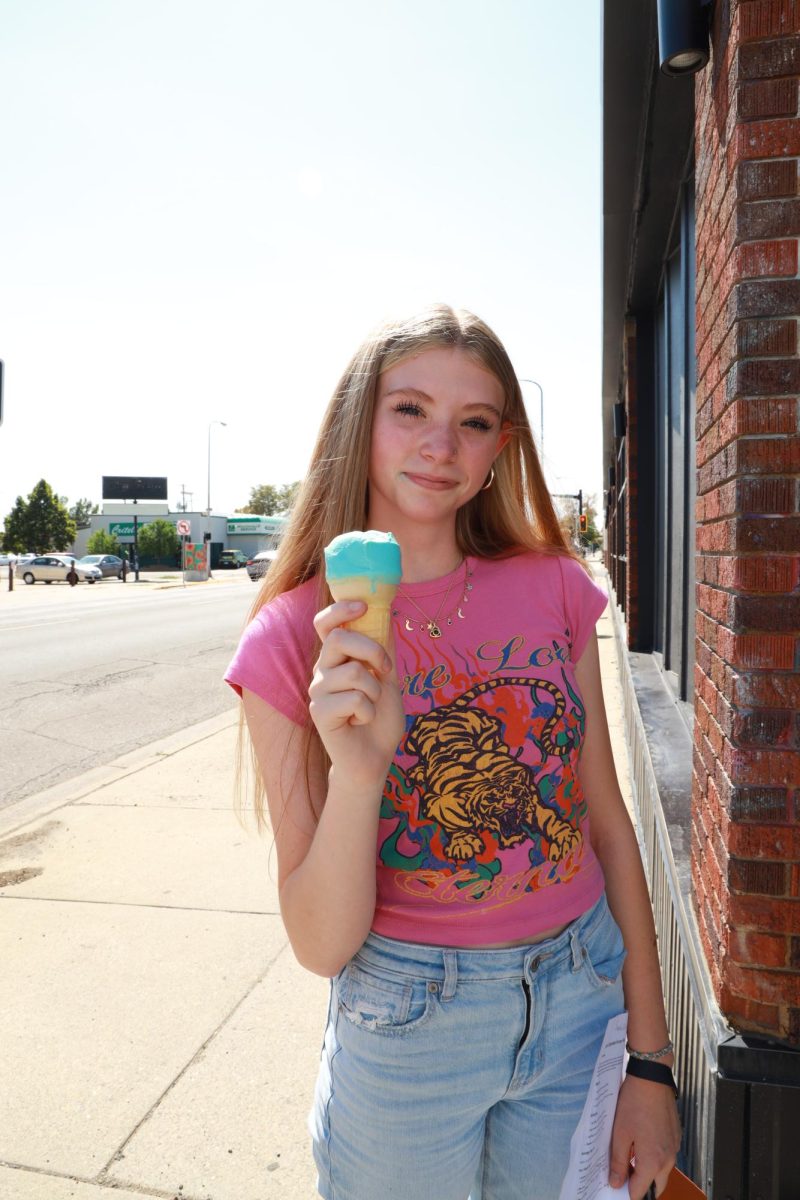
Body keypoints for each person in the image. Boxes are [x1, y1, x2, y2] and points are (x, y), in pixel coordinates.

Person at [225, 305, 681, 1200]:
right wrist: (360, 773)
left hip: (583, 994)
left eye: (474, 423)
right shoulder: (289, 637)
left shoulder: (554, 586)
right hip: (407, 1027)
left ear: (498, 449)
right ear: (361, 421)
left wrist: (653, 1062)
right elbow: (320, 944)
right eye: (410, 410)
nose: (441, 444)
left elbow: (611, 831)